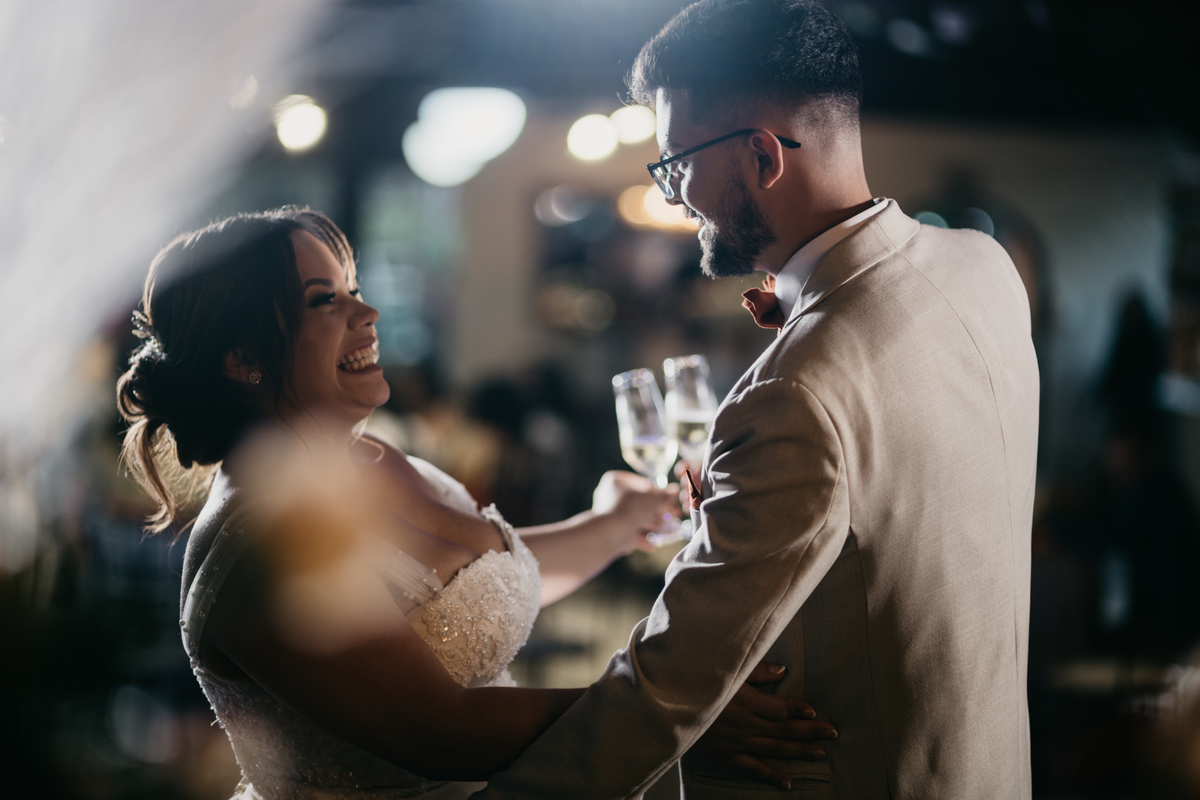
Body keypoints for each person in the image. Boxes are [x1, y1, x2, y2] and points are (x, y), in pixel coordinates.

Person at [474, 1, 1040, 798]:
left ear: (762, 155)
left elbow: (667, 689)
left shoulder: (797, 391)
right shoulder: (984, 268)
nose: (673, 198)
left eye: (676, 164)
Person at [116, 207, 830, 800]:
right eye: (323, 300)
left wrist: (612, 525)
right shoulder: (261, 545)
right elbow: (443, 730)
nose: (367, 314)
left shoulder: (373, 457)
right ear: (243, 359)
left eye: (353, 288)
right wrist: (674, 709)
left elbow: (467, 592)